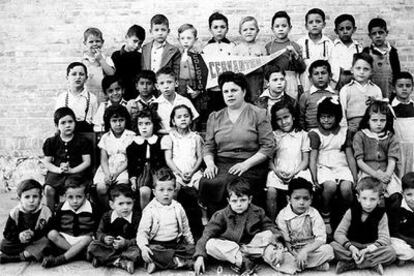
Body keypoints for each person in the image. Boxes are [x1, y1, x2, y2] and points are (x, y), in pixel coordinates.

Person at [199, 71, 275, 217]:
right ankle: (216, 221)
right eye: (225, 91)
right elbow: (208, 146)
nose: (230, 94)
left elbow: (268, 146)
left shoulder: (258, 113)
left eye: (234, 90)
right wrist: (209, 164)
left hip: (252, 163)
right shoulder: (215, 117)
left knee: (232, 183)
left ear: (244, 91)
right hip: (222, 163)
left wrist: (246, 164)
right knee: (208, 181)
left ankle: (241, 224)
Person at [194, 178, 284, 276]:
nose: (239, 204)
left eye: (243, 200)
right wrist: (200, 256)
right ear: (228, 201)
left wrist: (278, 244)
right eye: (234, 201)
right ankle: (244, 262)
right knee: (210, 244)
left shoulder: (257, 212)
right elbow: (207, 234)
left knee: (269, 236)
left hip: (252, 247)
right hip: (231, 249)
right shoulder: (221, 215)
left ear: (250, 199)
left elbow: (269, 227)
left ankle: (252, 258)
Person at [308, 97, 357, 234]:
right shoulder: (315, 134)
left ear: (337, 117)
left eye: (330, 117)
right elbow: (313, 158)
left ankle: (348, 216)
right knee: (330, 186)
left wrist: (355, 176)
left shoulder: (344, 132)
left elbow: (349, 155)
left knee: (347, 188)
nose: (326, 120)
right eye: (323, 117)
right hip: (323, 166)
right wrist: (314, 178)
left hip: (341, 165)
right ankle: (326, 215)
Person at [331, 177, 396, 275]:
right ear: (358, 198)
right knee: (332, 246)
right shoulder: (351, 211)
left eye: (373, 199)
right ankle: (369, 263)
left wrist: (367, 250)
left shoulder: (381, 214)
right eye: (364, 198)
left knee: (390, 252)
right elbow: (339, 233)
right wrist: (351, 248)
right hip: (352, 246)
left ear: (379, 199)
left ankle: (352, 263)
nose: (368, 203)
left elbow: (385, 238)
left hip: (370, 247)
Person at [136, 167, 194, 274]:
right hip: (157, 245)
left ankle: (161, 263)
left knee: (193, 251)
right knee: (148, 251)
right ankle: (178, 262)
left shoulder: (178, 207)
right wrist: (144, 247)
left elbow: (186, 228)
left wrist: (191, 244)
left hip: (175, 244)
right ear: (154, 192)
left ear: (174, 190)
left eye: (169, 189)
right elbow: (142, 232)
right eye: (161, 190)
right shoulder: (150, 209)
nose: (166, 193)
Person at [275, 178, 334, 274]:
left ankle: (295, 267)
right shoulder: (283, 215)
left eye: (306, 198)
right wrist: (295, 254)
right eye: (297, 198)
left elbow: (321, 239)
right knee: (276, 255)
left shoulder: (313, 213)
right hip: (292, 250)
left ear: (311, 199)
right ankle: (313, 265)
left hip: (310, 249)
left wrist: (304, 252)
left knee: (328, 250)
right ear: (289, 199)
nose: (301, 202)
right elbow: (285, 241)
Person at [353, 100, 402, 210]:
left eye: (382, 120)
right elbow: (359, 161)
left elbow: (392, 160)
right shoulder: (360, 135)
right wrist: (376, 174)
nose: (379, 124)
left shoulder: (390, 137)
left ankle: (391, 222)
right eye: (374, 120)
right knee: (371, 195)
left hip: (386, 173)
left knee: (395, 195)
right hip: (368, 172)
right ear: (368, 120)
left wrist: (386, 177)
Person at [266, 100, 310, 221]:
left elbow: (305, 161)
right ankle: (271, 222)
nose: (283, 122)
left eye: (286, 117)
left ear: (293, 116)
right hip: (278, 171)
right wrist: (276, 171)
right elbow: (269, 159)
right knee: (271, 191)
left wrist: (294, 173)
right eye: (279, 119)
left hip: (298, 170)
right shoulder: (274, 135)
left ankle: (302, 220)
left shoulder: (302, 135)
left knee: (302, 187)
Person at [42, 107, 92, 212]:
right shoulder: (51, 141)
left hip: (77, 172)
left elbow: (87, 162)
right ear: (57, 126)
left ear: (75, 123)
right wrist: (58, 170)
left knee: (70, 188)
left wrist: (72, 170)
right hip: (57, 172)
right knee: (48, 189)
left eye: (70, 122)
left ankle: (69, 215)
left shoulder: (82, 141)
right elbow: (47, 162)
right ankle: (50, 216)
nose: (67, 125)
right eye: (63, 123)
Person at [42, 180, 98, 268]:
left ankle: (60, 259)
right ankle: (79, 254)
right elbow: (53, 224)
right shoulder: (61, 208)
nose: (75, 201)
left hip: (83, 240)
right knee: (51, 234)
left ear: (86, 196)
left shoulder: (93, 208)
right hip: (66, 239)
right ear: (65, 196)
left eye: (79, 197)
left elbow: (97, 227)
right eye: (70, 197)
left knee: (88, 239)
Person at [87, 185, 141, 274]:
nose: (125, 207)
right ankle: (120, 262)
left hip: (128, 248)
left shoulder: (136, 218)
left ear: (133, 202)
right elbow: (98, 232)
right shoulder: (107, 216)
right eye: (120, 204)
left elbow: (140, 237)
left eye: (129, 203)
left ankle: (104, 259)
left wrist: (126, 243)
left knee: (137, 252)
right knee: (93, 246)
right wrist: (104, 238)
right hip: (110, 246)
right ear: (112, 205)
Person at [0, 180, 53, 264]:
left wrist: (33, 234)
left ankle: (15, 257)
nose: (31, 200)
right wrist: (19, 236)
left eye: (35, 196)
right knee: (3, 244)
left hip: (37, 240)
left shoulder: (45, 211)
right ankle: (31, 254)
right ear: (19, 198)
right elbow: (7, 233)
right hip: (21, 242)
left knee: (48, 242)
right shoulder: (15, 212)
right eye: (27, 197)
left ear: (40, 198)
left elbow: (49, 230)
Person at [93, 105, 135, 209]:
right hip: (107, 169)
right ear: (109, 122)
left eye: (121, 120)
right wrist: (107, 174)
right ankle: (108, 210)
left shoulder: (131, 136)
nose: (118, 124)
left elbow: (131, 158)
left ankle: (120, 211)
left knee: (121, 188)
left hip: (123, 169)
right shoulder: (106, 137)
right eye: (114, 120)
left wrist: (116, 173)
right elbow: (103, 159)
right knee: (101, 188)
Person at [126, 109, 165, 210]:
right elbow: (131, 165)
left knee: (161, 188)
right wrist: (133, 180)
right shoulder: (133, 144)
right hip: (142, 173)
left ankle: (162, 214)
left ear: (154, 124)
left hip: (158, 172)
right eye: (140, 124)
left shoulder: (159, 141)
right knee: (144, 191)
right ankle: (146, 216)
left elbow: (164, 162)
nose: (144, 127)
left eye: (147, 123)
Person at [265, 11, 306, 101]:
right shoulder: (269, 46)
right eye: (277, 26)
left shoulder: (295, 45)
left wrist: (294, 53)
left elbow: (302, 68)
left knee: (291, 103)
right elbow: (265, 69)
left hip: (290, 79)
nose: (280, 29)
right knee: (275, 104)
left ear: (290, 28)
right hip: (274, 79)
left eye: (284, 26)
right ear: (272, 29)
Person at [161, 105, 203, 189]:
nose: (183, 119)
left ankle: (201, 202)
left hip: (194, 172)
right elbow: (168, 159)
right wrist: (179, 173)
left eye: (186, 116)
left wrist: (192, 172)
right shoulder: (169, 137)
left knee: (202, 187)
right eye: (179, 117)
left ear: (191, 120)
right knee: (174, 188)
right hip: (176, 173)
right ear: (173, 121)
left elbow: (200, 158)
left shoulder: (196, 137)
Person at [339, 53, 382, 134]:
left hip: (371, 128)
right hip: (353, 128)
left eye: (366, 69)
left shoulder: (376, 90)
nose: (361, 72)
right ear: (352, 69)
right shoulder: (346, 90)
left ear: (371, 72)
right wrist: (345, 130)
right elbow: (342, 114)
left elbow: (381, 112)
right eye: (358, 68)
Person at [176, 23, 209, 130]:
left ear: (195, 39)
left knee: (196, 110)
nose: (186, 41)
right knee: (182, 109)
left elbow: (204, 73)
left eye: (189, 38)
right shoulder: (177, 55)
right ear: (179, 39)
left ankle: (195, 131)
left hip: (194, 84)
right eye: (183, 38)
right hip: (181, 85)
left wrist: (199, 90)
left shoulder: (198, 56)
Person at [202, 12, 234, 112]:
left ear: (227, 29)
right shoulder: (206, 49)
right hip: (213, 91)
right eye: (215, 27)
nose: (219, 30)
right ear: (210, 30)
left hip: (229, 89)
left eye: (222, 27)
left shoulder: (232, 47)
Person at [363, 18, 401, 99]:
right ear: (370, 35)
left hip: (389, 93)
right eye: (374, 33)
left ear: (386, 33)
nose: (378, 36)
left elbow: (397, 74)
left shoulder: (392, 52)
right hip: (371, 95)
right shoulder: (366, 52)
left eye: (380, 32)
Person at [297, 8, 333, 92]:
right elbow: (296, 67)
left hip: (323, 86)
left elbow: (332, 66)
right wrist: (298, 84)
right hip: (305, 85)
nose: (314, 25)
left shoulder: (328, 43)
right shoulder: (300, 43)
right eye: (311, 22)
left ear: (324, 24)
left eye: (318, 21)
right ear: (306, 26)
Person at [55, 62, 98, 133]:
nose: (78, 77)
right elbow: (58, 122)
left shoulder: (92, 98)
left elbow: (95, 122)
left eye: (81, 74)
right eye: (74, 74)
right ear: (67, 77)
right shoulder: (62, 98)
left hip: (85, 136)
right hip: (66, 136)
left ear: (86, 77)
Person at [154, 67, 199, 133]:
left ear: (176, 83)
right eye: (162, 83)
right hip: (164, 138)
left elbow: (194, 120)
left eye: (169, 82)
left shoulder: (185, 101)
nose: (166, 86)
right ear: (157, 86)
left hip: (183, 138)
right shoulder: (155, 104)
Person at [233, 16, 267, 103]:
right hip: (242, 83)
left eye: (252, 29)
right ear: (240, 32)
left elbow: (265, 69)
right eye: (245, 30)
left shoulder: (261, 48)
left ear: (257, 31)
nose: (248, 32)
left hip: (256, 83)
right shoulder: (237, 49)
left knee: (256, 106)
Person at [298, 60, 337, 130]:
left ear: (330, 76)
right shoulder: (305, 96)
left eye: (323, 73)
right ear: (310, 78)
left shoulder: (336, 94)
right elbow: (301, 118)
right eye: (316, 74)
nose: (320, 77)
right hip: (311, 133)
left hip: (332, 134)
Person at [81, 27, 115, 104]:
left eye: (97, 41)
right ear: (85, 43)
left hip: (104, 97)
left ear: (102, 42)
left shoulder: (106, 59)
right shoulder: (83, 61)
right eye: (91, 42)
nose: (95, 44)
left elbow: (111, 73)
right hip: (88, 97)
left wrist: (101, 60)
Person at [111, 24, 146, 101]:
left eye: (140, 43)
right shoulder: (116, 56)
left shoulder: (141, 57)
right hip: (119, 96)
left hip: (136, 97)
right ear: (126, 38)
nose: (137, 45)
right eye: (135, 41)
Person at [331, 14, 363, 90]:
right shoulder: (333, 47)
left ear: (354, 29)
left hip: (355, 81)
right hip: (337, 82)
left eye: (348, 28)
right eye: (341, 29)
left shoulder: (358, 48)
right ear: (336, 31)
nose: (345, 31)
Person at [389, 172, 414, 264]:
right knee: (394, 245)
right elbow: (393, 232)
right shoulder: (396, 206)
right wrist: (409, 241)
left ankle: (405, 257)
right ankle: (407, 256)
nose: (413, 199)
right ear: (403, 193)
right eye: (409, 194)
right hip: (401, 239)